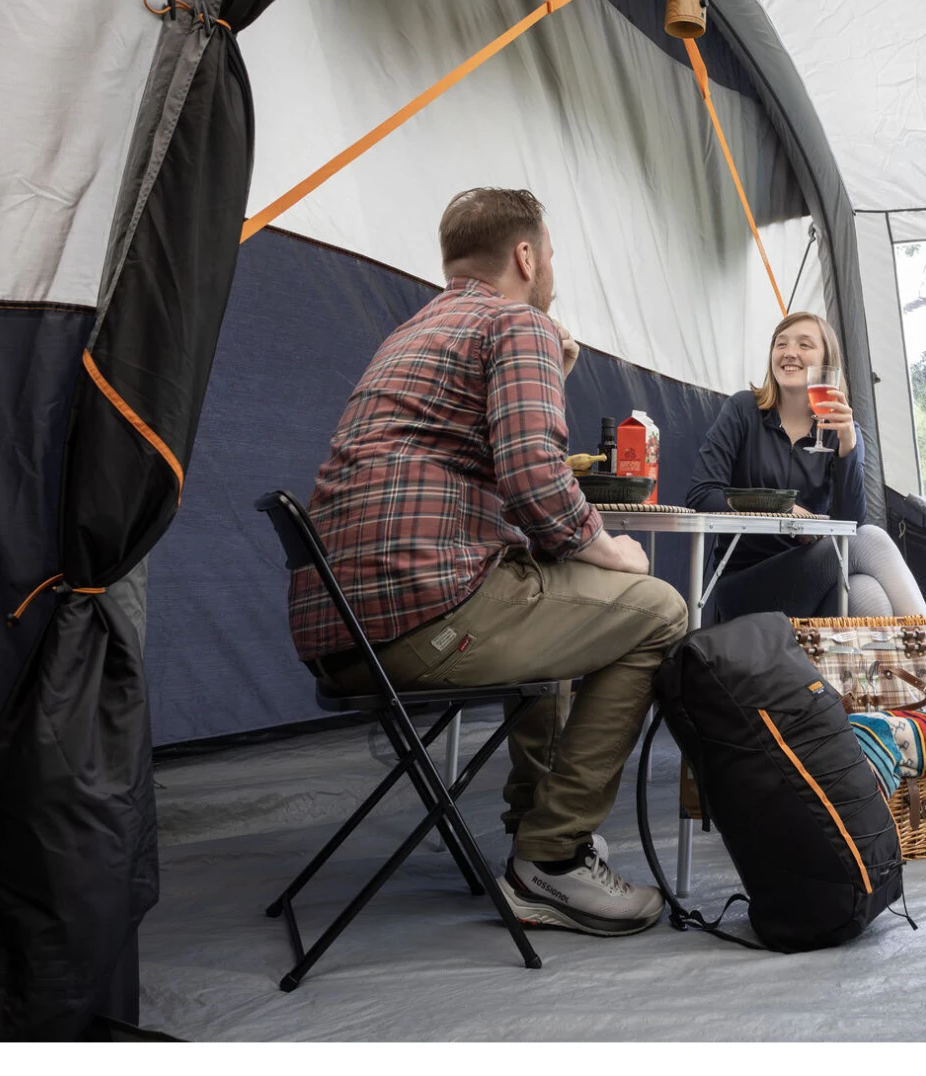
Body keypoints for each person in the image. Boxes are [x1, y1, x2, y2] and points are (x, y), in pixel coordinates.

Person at [288, 187, 686, 937]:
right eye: (551, 254)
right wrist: (611, 549)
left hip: (345, 638)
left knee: (549, 589)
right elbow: (534, 476)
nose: (552, 268)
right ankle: (554, 858)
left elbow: (488, 463)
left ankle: (537, 823)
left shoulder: (413, 332)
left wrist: (550, 376)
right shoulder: (517, 321)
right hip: (420, 623)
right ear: (526, 256)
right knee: (658, 610)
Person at [686, 309, 926, 709]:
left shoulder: (842, 433)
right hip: (746, 587)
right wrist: (782, 511)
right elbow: (701, 494)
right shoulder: (744, 410)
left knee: (867, 591)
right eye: (781, 343)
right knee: (871, 540)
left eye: (804, 344)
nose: (789, 352)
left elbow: (851, 525)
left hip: (817, 583)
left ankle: (878, 721)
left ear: (827, 365)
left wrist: (848, 447)